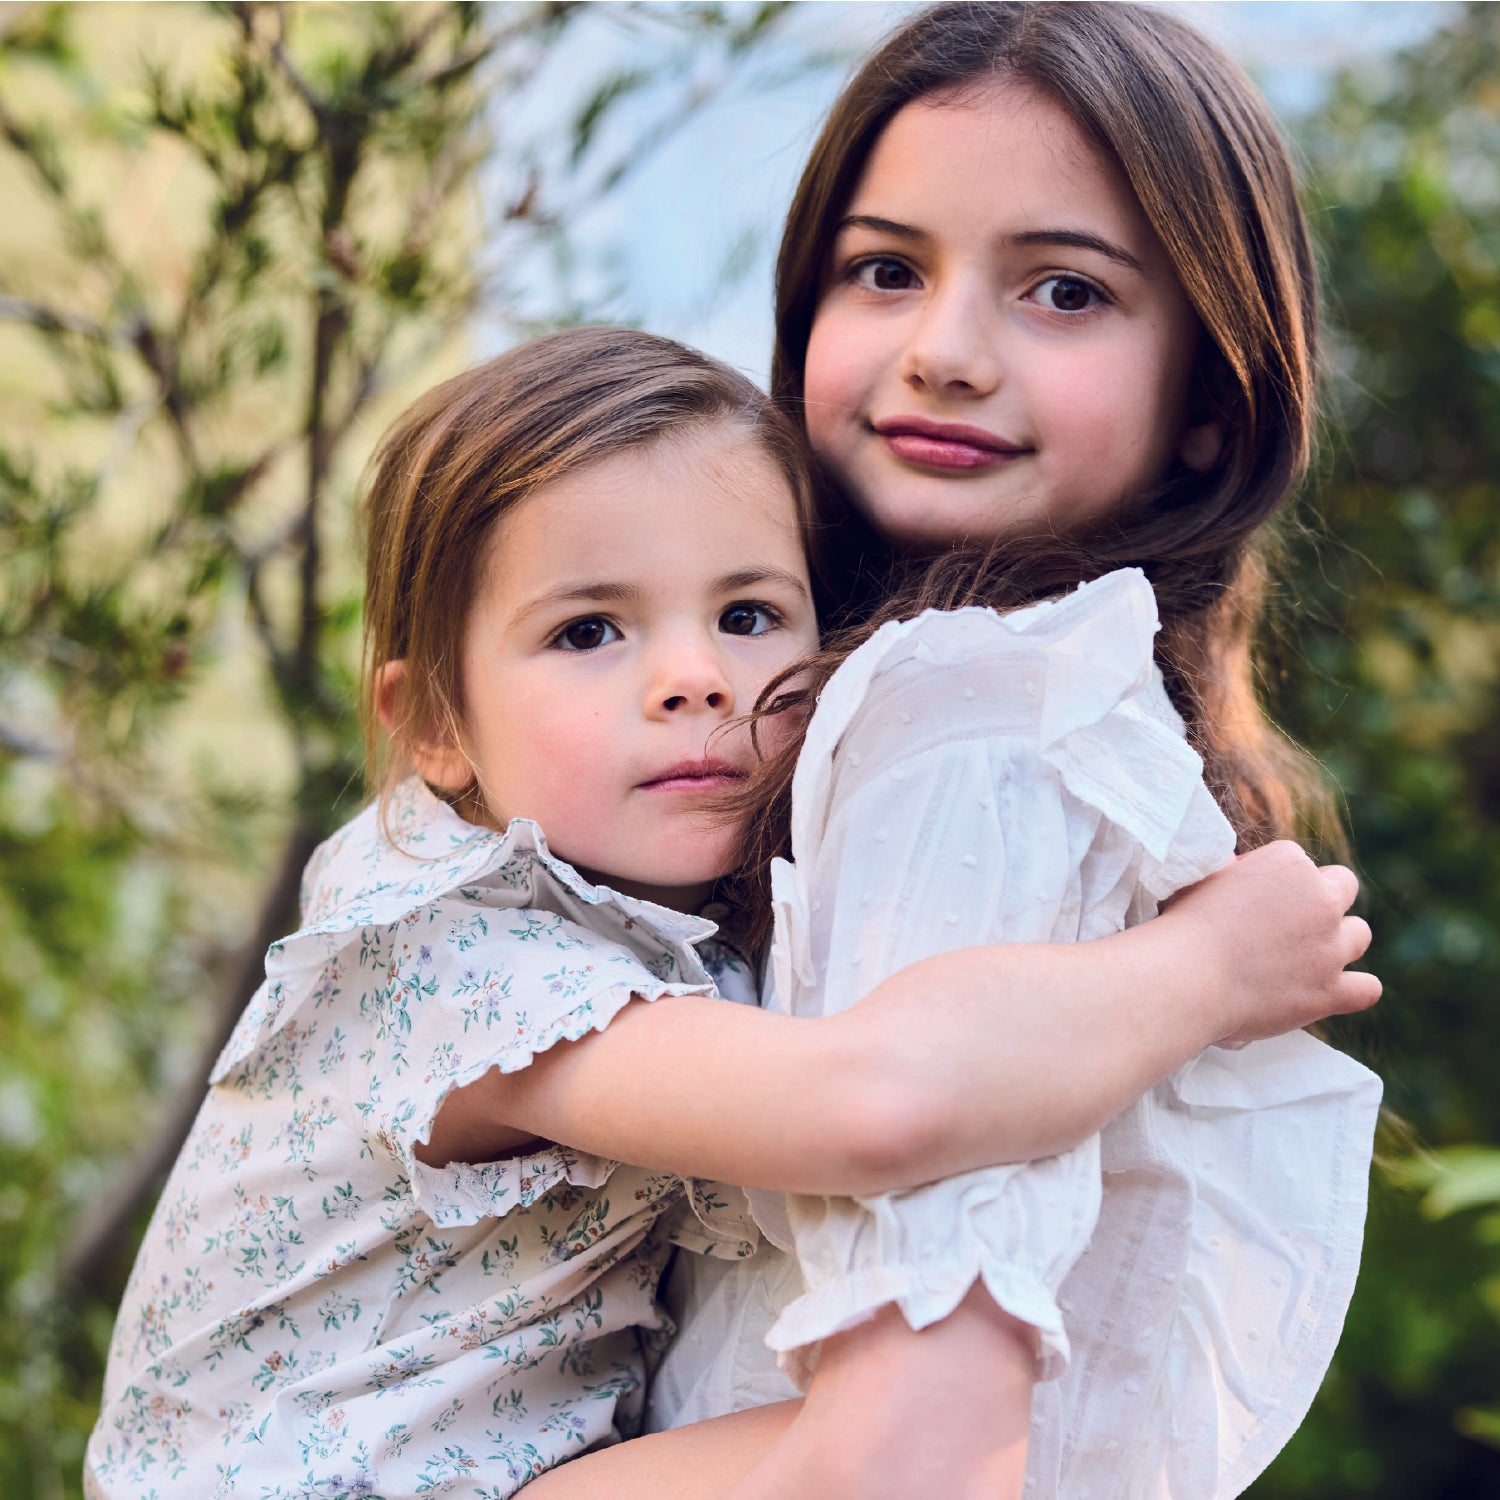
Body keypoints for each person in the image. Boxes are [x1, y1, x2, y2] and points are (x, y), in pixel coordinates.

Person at [82, 327, 1370, 1499]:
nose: (697, 678)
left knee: (1042, 1418)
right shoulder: (454, 952)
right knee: (910, 1449)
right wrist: (1206, 968)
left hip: (498, 1465)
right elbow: (877, 1104)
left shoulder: (645, 913)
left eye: (749, 616)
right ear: (434, 724)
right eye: (590, 632)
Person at [537, 4, 1385, 1498]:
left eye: (1063, 290)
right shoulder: (1053, 729)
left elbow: (902, 1463)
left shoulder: (970, 719)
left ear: (1209, 398)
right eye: (886, 270)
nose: (944, 352)